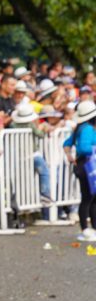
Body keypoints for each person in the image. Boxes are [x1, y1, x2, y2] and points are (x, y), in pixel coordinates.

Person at [63, 100, 96, 241]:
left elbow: (66, 143)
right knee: (89, 198)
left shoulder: (80, 127)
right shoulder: (88, 128)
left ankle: (90, 228)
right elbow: (84, 148)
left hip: (83, 165)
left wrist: (70, 157)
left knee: (91, 198)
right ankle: (86, 229)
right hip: (87, 165)